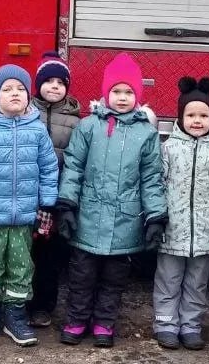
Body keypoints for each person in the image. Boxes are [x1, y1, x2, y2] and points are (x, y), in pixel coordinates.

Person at [56, 52, 167, 348]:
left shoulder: (146, 133)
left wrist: (156, 216)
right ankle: (77, 320)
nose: (122, 97)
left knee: (114, 279)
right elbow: (74, 167)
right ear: (106, 93)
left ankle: (104, 323)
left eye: (129, 92)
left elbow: (151, 178)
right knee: (81, 276)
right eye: (116, 91)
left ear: (138, 96)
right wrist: (67, 205)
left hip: (124, 222)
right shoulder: (88, 126)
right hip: (88, 218)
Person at [0, 65, 59, 346]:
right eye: (7, 89)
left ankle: (15, 316)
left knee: (21, 266)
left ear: (29, 95)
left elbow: (49, 171)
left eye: (20, 89)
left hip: (25, 217)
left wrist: (47, 207)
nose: (14, 93)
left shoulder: (38, 131)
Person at [153, 76, 209, 350]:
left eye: (204, 115)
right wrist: (156, 217)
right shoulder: (168, 149)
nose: (197, 121)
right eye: (191, 115)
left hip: (205, 235)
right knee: (168, 281)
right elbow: (156, 184)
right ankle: (166, 324)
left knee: (196, 283)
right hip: (172, 232)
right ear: (180, 117)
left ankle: (191, 326)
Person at [27, 51, 81, 329]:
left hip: (57, 197)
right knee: (26, 252)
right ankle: (20, 303)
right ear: (38, 84)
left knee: (50, 257)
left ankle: (43, 306)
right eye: (49, 81)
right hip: (27, 196)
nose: (54, 87)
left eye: (61, 83)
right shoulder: (25, 114)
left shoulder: (76, 121)